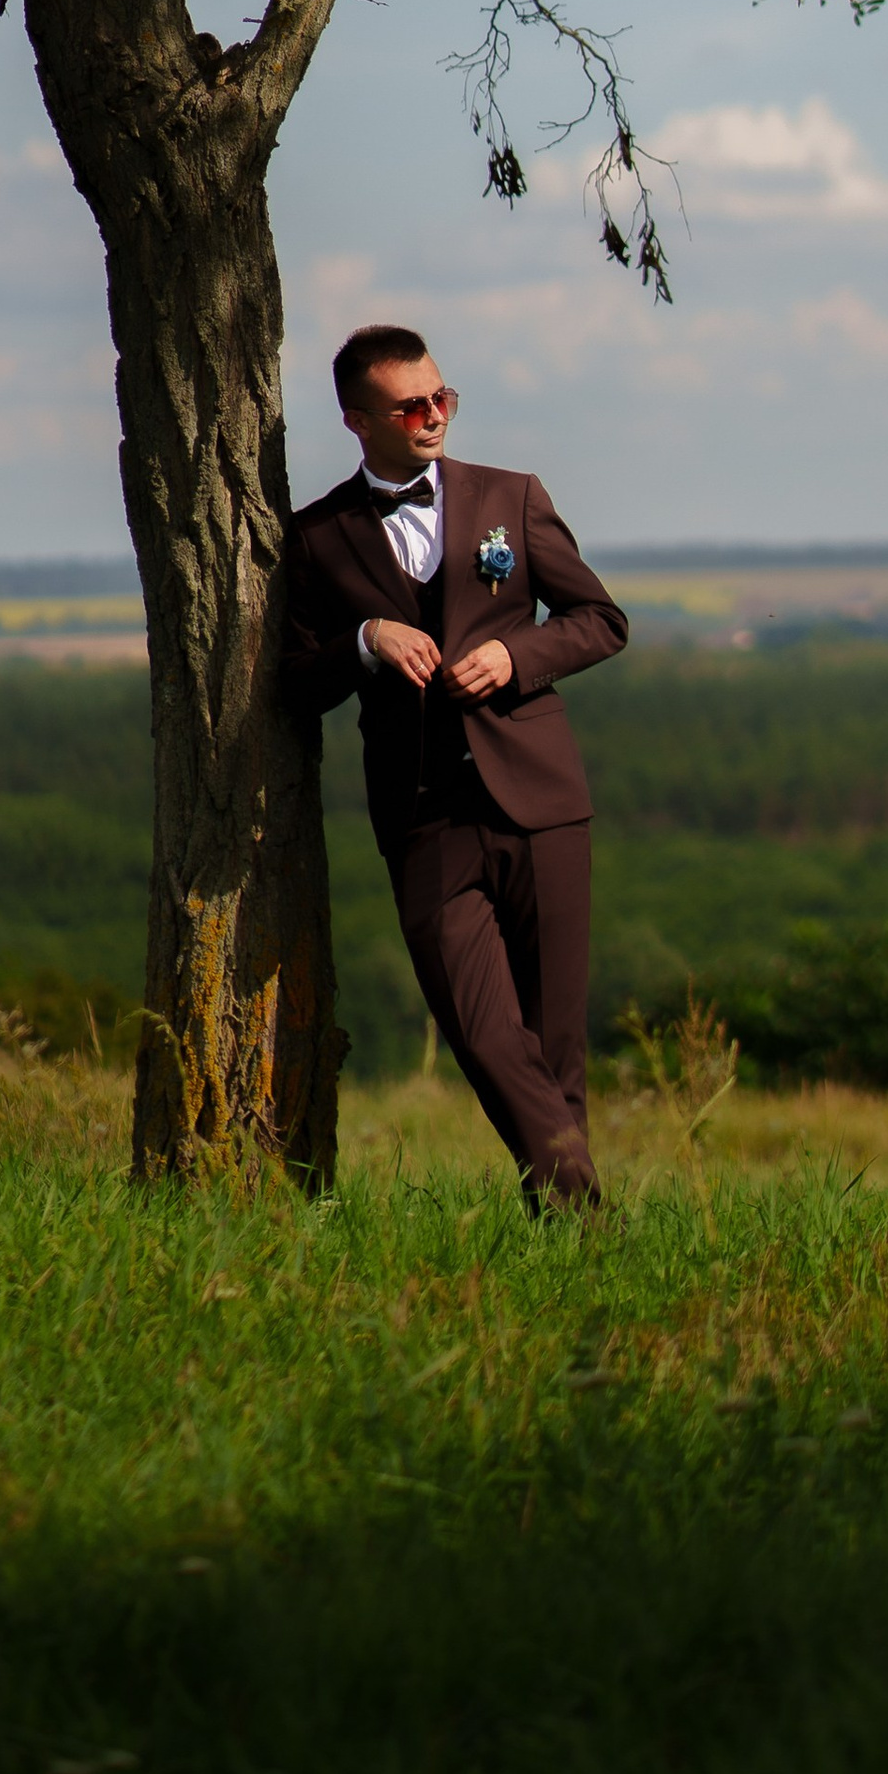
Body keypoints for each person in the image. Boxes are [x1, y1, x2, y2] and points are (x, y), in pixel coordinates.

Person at [281, 322, 628, 1207]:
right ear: (358, 422)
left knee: (554, 1045)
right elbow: (294, 683)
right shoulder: (316, 536)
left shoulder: (513, 496)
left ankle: (572, 1232)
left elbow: (600, 621)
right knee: (480, 1032)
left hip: (542, 803)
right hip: (423, 813)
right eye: (412, 406)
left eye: (442, 397)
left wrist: (518, 656)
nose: (435, 415)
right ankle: (585, 1215)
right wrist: (365, 640)